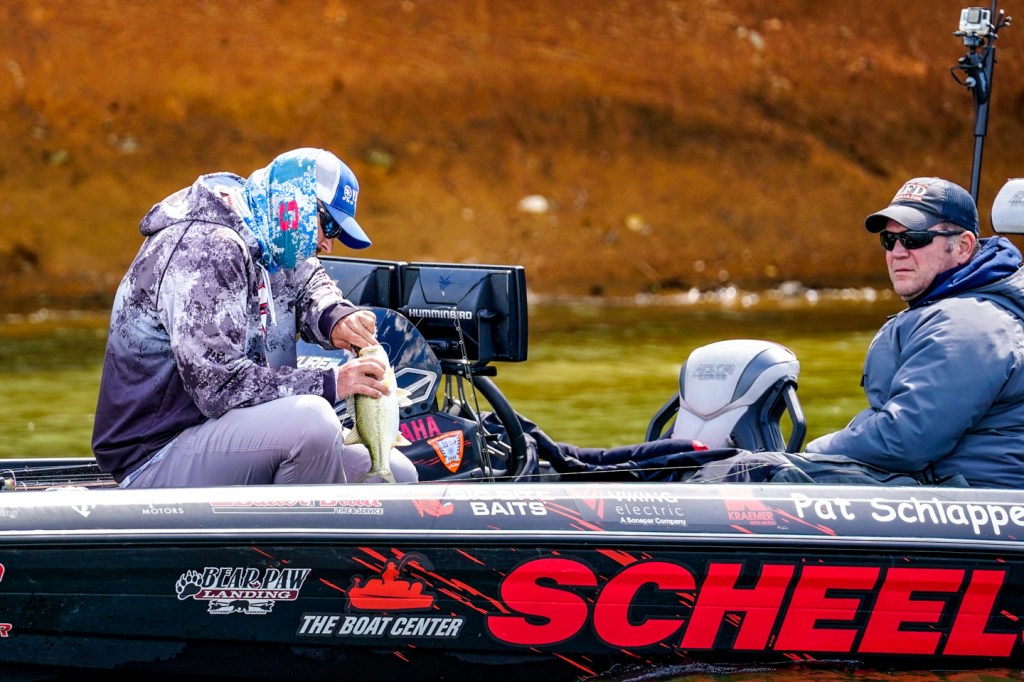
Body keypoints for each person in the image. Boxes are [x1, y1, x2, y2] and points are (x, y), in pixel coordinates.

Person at [91, 147, 418, 487]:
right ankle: (297, 522)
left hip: (226, 433)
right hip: (157, 452)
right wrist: (332, 384)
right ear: (296, 204)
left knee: (397, 474)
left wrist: (336, 317)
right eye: (330, 227)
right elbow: (218, 386)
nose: (329, 245)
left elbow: (309, 284)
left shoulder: (270, 234)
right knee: (313, 423)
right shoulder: (208, 247)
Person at [801, 176, 1024, 488]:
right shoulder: (953, 310)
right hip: (936, 491)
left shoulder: (970, 324)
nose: (897, 252)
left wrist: (810, 455)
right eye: (889, 240)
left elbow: (905, 439)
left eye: (914, 239)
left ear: (963, 246)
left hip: (972, 501)